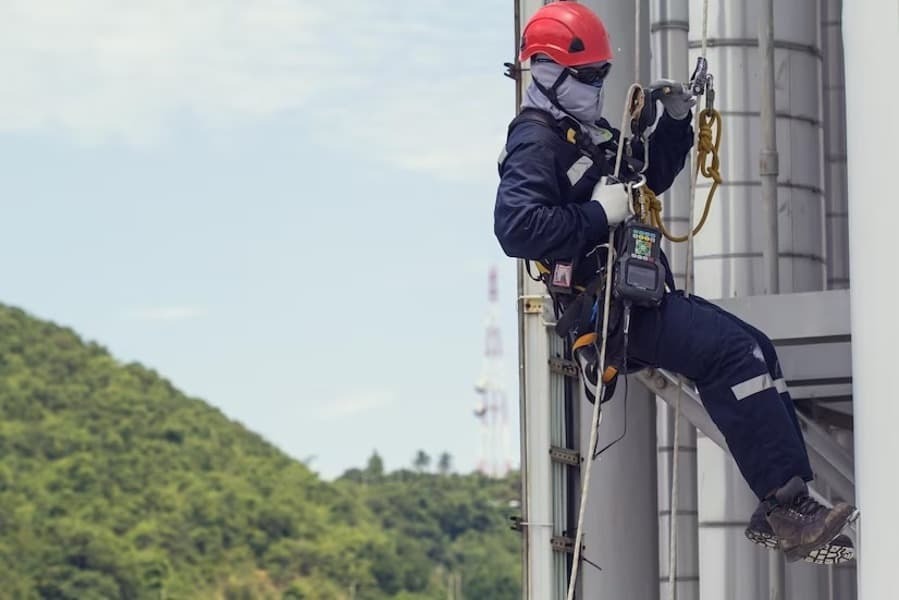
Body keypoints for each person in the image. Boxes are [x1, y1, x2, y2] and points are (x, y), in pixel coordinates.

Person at [494, 0, 857, 564]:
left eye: (600, 77)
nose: (596, 87)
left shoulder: (580, 133)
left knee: (755, 348)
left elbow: (645, 173)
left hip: (637, 296)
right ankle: (788, 508)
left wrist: (678, 122)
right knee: (735, 354)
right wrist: (598, 215)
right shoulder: (536, 141)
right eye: (588, 77)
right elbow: (516, 228)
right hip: (611, 309)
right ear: (548, 71)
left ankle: (782, 503)